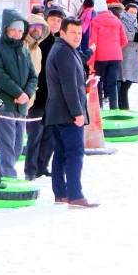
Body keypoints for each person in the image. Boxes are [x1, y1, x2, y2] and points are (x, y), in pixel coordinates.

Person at [45, 17, 97, 208]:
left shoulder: (65, 49)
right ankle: (75, 195)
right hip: (67, 113)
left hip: (59, 112)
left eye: (78, 32)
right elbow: (69, 86)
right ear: (63, 33)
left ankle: (61, 193)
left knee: (61, 153)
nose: (76, 36)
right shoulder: (63, 52)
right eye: (72, 32)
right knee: (74, 153)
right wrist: (77, 113)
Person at [0, 9, 37, 179]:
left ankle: (3, 173)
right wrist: (17, 92)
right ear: (6, 29)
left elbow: (33, 75)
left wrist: (27, 93)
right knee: (7, 142)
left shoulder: (24, 50)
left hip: (22, 106)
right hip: (6, 104)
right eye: (14, 30)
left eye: (20, 30)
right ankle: (8, 176)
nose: (17, 34)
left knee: (18, 143)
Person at [23, 12, 51, 180]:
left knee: (46, 135)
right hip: (26, 99)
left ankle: (40, 167)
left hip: (38, 97)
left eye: (39, 27)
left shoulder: (38, 49)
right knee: (33, 136)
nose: (36, 30)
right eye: (33, 27)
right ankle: (30, 171)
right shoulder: (23, 47)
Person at [89, 0, 128, 109]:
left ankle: (99, 108)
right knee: (113, 83)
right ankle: (114, 109)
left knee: (98, 83)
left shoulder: (95, 21)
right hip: (116, 56)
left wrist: (90, 61)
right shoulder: (117, 20)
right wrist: (114, 48)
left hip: (100, 57)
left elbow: (93, 42)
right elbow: (124, 40)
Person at [118, 1, 138, 109]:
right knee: (125, 82)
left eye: (135, 12)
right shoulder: (122, 21)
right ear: (125, 11)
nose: (133, 14)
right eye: (131, 11)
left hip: (132, 54)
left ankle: (124, 107)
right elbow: (127, 35)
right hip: (126, 54)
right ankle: (123, 107)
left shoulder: (133, 21)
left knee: (127, 82)